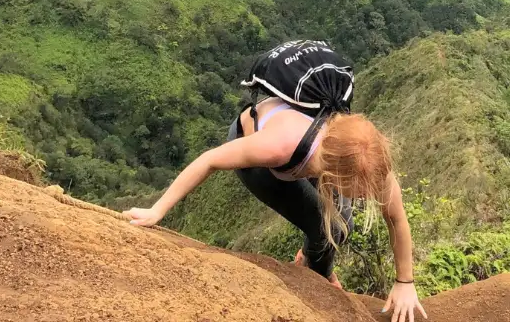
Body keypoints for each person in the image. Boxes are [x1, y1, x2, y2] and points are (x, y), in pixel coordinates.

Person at [123, 40, 427, 322]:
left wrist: (405, 282)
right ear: (331, 176)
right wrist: (157, 210)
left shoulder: (368, 159)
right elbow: (210, 160)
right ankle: (320, 281)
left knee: (340, 223)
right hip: (265, 164)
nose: (366, 196)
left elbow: (397, 219)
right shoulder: (281, 145)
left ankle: (309, 263)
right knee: (328, 227)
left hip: (310, 159)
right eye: (360, 192)